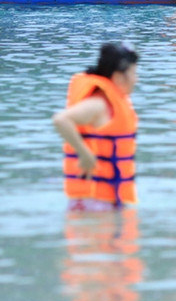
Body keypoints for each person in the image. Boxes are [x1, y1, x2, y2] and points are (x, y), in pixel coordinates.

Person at [52, 42, 139, 210]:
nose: (137, 79)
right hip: (92, 202)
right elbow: (61, 120)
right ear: (119, 76)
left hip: (105, 200)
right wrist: (85, 155)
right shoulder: (99, 103)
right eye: (134, 73)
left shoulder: (114, 101)